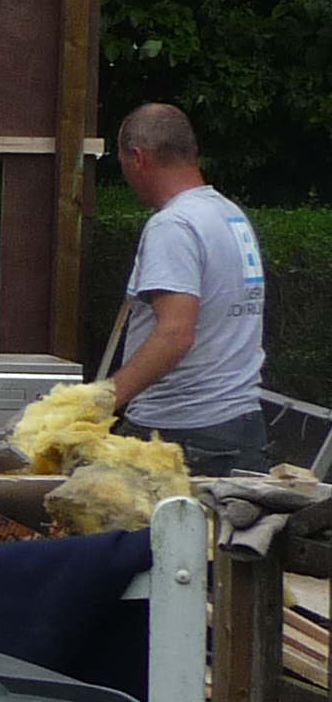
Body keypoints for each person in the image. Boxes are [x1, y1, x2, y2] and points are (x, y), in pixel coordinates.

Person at [105, 102, 270, 474]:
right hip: (241, 425)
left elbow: (175, 333)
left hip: (182, 433)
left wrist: (99, 401)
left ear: (137, 158)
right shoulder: (229, 215)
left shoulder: (173, 225)